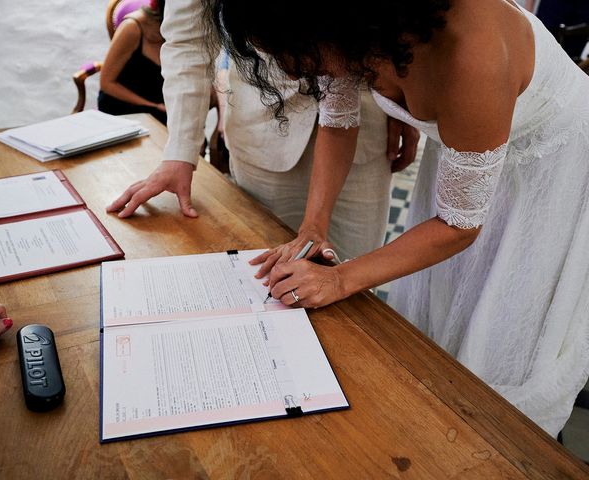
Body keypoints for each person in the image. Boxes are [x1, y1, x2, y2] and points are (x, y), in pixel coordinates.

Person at [206, 0, 589, 436]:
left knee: (503, 332)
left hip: (549, 172)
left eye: (293, 53)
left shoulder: (473, 53)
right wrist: (313, 227)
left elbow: (460, 225)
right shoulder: (358, 31)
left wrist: (340, 279)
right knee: (442, 307)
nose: (293, 73)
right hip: (466, 162)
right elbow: (337, 124)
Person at [107, 0, 419, 265]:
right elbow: (189, 40)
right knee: (262, 275)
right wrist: (179, 153)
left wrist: (404, 94)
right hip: (263, 127)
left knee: (357, 274)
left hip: (365, 119)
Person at [98, 0, 167, 124]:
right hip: (124, 107)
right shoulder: (132, 27)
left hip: (160, 106)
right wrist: (153, 106)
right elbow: (106, 83)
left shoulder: (180, 32)